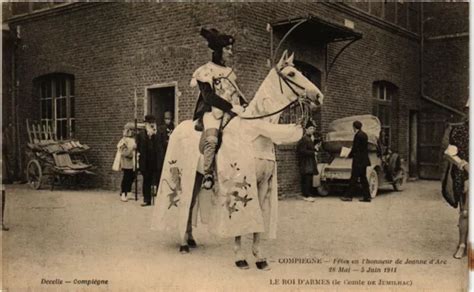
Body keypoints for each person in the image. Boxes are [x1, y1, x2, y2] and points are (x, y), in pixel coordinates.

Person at [191, 27, 248, 190]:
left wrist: (244, 104)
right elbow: (208, 96)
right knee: (212, 138)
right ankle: (208, 174)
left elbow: (236, 92)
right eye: (227, 49)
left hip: (232, 111)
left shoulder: (230, 72)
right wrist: (229, 106)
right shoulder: (204, 71)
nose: (231, 52)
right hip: (213, 111)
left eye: (231, 49)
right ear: (218, 50)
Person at [443, 100, 469, 259]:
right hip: (464, 174)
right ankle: (462, 245)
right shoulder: (458, 131)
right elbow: (449, 153)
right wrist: (463, 164)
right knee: (465, 212)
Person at [137, 115, 165, 207]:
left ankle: (160, 200)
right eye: (149, 123)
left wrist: (155, 135)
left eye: (152, 123)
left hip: (157, 160)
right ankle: (147, 199)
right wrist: (148, 138)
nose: (151, 125)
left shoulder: (160, 133)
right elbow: (140, 148)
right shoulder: (141, 134)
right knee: (147, 180)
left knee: (158, 180)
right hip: (146, 161)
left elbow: (162, 146)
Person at [341, 120, 371, 202]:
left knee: (353, 179)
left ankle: (349, 196)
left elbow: (355, 148)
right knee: (363, 179)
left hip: (358, 161)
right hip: (364, 160)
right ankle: (367, 197)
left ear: (354, 127)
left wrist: (348, 155)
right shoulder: (364, 135)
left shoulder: (357, 136)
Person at [297, 122, 320, 202]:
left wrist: (315, 148)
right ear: (306, 129)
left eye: (313, 128)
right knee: (307, 178)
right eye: (310, 128)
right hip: (306, 162)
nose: (312, 130)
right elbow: (302, 151)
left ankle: (307, 194)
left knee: (308, 178)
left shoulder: (309, 138)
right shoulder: (304, 139)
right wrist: (313, 152)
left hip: (309, 161)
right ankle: (306, 195)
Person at [116, 122, 136, 202]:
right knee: (126, 177)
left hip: (133, 161)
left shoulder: (133, 139)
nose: (132, 132)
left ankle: (129, 192)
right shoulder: (123, 141)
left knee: (132, 177)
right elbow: (124, 152)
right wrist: (132, 150)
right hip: (126, 161)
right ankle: (123, 193)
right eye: (130, 130)